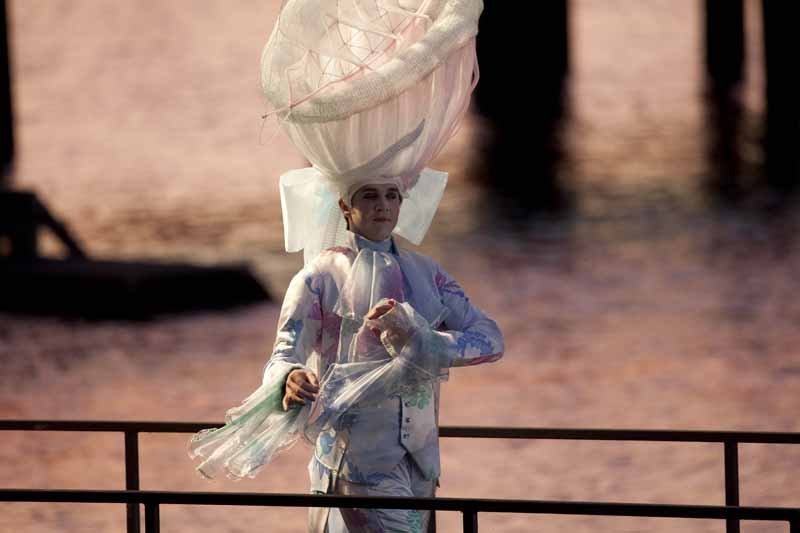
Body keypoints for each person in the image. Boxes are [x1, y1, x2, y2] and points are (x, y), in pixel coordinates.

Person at [266, 179, 504, 532]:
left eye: (392, 195)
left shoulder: (428, 273)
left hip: (421, 460)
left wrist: (425, 342)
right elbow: (284, 354)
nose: (383, 205)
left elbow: (491, 339)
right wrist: (291, 376)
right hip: (356, 456)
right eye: (369, 195)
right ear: (345, 206)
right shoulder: (319, 276)